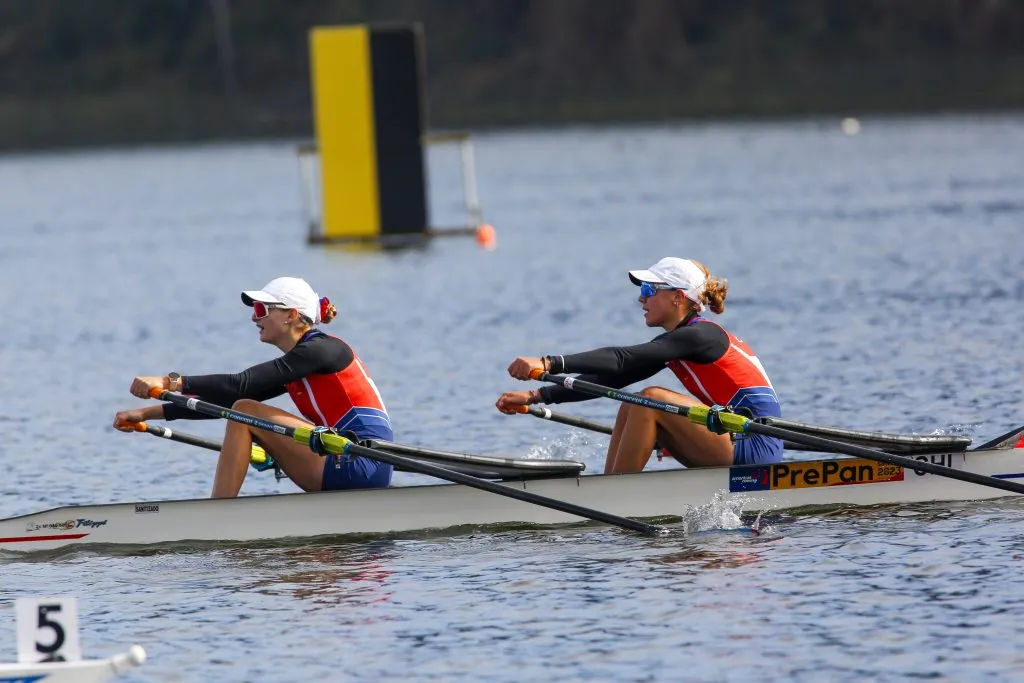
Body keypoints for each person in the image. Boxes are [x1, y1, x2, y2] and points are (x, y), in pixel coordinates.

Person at [113, 276, 394, 498]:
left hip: (361, 462)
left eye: (261, 310)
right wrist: (145, 414)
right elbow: (223, 405)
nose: (254, 318)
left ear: (290, 315)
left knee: (245, 410)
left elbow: (240, 385)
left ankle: (218, 514)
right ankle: (223, 511)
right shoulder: (300, 363)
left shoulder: (323, 350)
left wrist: (169, 381)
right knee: (241, 410)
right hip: (342, 457)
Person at [496, 257, 783, 473]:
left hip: (753, 444)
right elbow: (611, 378)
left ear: (678, 297)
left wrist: (548, 363)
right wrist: (536, 396)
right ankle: (611, 486)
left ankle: (616, 495)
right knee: (632, 403)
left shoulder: (701, 335)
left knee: (650, 399)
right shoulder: (679, 343)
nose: (641, 297)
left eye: (649, 289)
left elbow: (622, 358)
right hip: (730, 433)